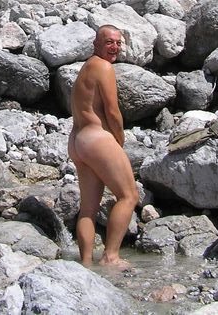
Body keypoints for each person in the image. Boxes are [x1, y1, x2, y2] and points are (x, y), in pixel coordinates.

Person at [68, 25, 139, 268]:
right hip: (96, 139)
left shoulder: (86, 68)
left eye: (118, 43)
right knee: (128, 196)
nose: (115, 47)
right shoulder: (104, 67)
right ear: (96, 44)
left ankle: (86, 264)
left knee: (88, 209)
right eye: (109, 42)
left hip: (77, 141)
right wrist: (119, 138)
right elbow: (112, 110)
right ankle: (111, 257)